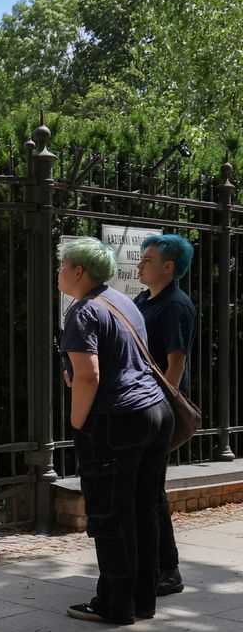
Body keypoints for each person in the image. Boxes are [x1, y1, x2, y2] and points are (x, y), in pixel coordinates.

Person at [59, 237, 172, 625]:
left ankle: (115, 604)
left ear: (78, 271)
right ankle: (144, 600)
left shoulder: (82, 312)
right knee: (143, 509)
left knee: (109, 514)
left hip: (117, 419)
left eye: (62, 266)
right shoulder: (123, 301)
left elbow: (89, 375)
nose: (58, 272)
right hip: (154, 411)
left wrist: (78, 425)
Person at [134, 234, 196, 597]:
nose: (140, 265)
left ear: (168, 267)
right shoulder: (145, 299)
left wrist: (159, 406)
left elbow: (176, 363)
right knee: (146, 488)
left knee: (152, 490)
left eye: (148, 260)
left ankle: (167, 570)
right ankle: (153, 565)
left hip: (157, 408)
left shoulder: (176, 305)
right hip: (144, 404)